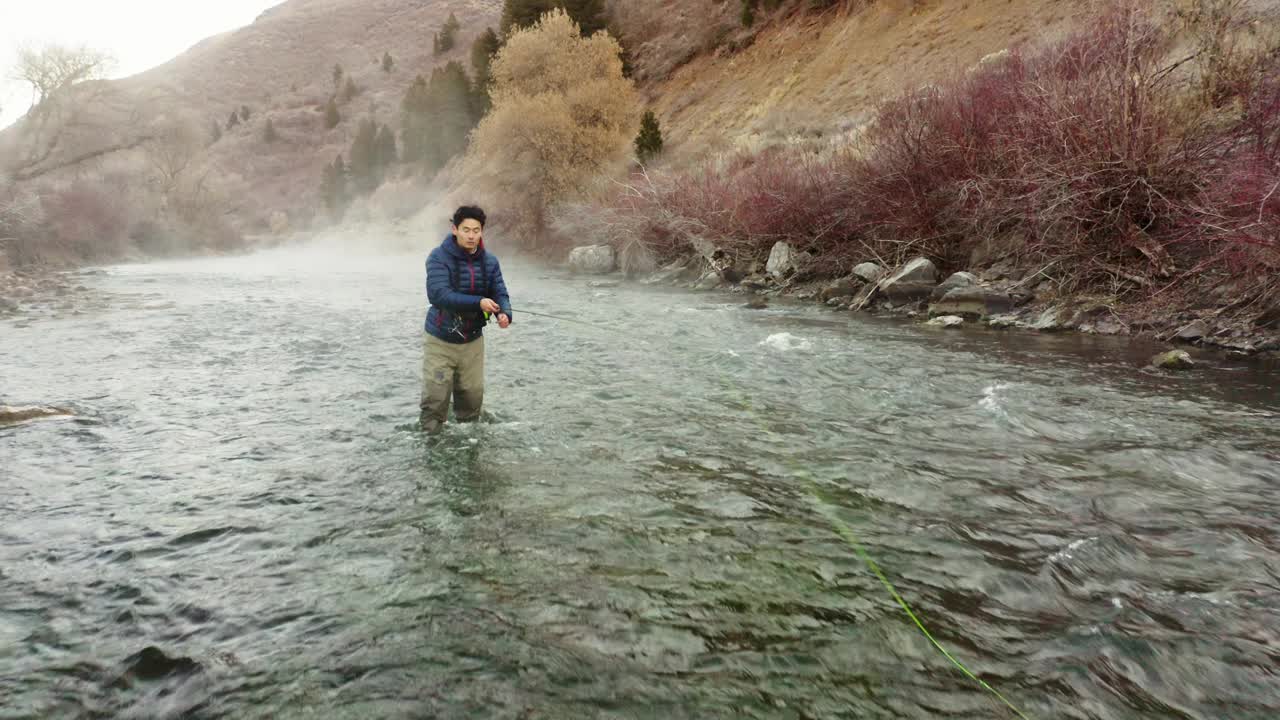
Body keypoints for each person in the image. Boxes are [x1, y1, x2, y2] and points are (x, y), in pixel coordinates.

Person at [420, 205, 512, 432]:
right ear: (454, 229)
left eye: (476, 230)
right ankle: (431, 444)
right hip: (440, 340)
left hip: (472, 341)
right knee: (435, 399)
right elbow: (439, 295)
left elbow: (500, 292)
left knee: (472, 398)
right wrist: (479, 302)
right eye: (466, 230)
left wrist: (504, 313)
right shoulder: (437, 257)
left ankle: (468, 441)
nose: (471, 236)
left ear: (482, 231)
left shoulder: (490, 262)